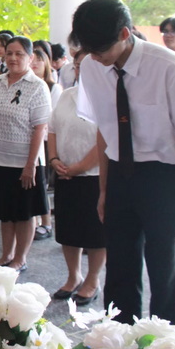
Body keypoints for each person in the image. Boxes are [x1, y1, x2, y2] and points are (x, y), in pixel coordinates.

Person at [73, 0, 175, 326]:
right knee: (119, 266)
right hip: (119, 175)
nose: (95, 58)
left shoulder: (168, 66)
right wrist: (104, 190)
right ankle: (119, 343)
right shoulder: (91, 66)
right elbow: (105, 130)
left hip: (162, 178)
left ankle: (165, 345)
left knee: (164, 268)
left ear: (124, 34)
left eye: (100, 50)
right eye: (89, 50)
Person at [0, 35, 51, 272]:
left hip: (24, 161)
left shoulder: (37, 86)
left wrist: (30, 165)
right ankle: (6, 255)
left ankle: (20, 259)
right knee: (6, 212)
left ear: (30, 57)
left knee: (24, 213)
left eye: (19, 54)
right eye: (9, 53)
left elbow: (40, 128)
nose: (13, 58)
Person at [48, 48, 106, 305]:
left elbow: (105, 140)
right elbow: (52, 130)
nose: (82, 69)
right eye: (78, 65)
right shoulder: (67, 95)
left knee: (94, 233)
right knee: (68, 230)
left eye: (88, 63)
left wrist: (79, 167)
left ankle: (93, 279)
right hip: (65, 173)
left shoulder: (106, 97)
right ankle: (73, 276)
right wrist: (54, 160)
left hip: (93, 175)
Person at [30, 46, 61, 240]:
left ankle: (46, 223)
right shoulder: (27, 85)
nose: (34, 64)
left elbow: (52, 116)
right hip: (30, 138)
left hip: (47, 140)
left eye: (39, 60)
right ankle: (34, 222)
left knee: (42, 183)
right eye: (32, 60)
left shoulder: (53, 87)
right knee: (32, 184)